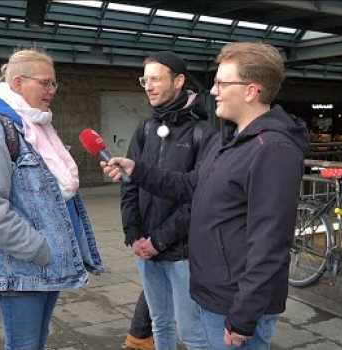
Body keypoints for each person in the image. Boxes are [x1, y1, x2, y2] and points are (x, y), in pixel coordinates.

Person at [103, 42, 309, 350]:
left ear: (251, 91)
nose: (213, 91)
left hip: (234, 304)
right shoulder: (231, 140)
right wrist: (138, 170)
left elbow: (270, 243)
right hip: (214, 293)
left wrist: (243, 316)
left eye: (222, 83)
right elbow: (190, 185)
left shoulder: (273, 149)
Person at [0, 49, 104, 350]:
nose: (51, 91)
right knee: (24, 346)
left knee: (34, 345)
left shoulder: (34, 126)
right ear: (17, 82)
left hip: (45, 265)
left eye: (54, 84)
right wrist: (37, 248)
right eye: (45, 83)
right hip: (22, 268)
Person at [122, 51, 215, 350]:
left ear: (178, 81)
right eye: (144, 79)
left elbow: (199, 196)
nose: (148, 86)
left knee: (192, 332)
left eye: (155, 79)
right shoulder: (146, 128)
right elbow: (130, 184)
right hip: (145, 249)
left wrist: (159, 241)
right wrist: (134, 235)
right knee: (160, 322)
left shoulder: (204, 132)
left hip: (182, 253)